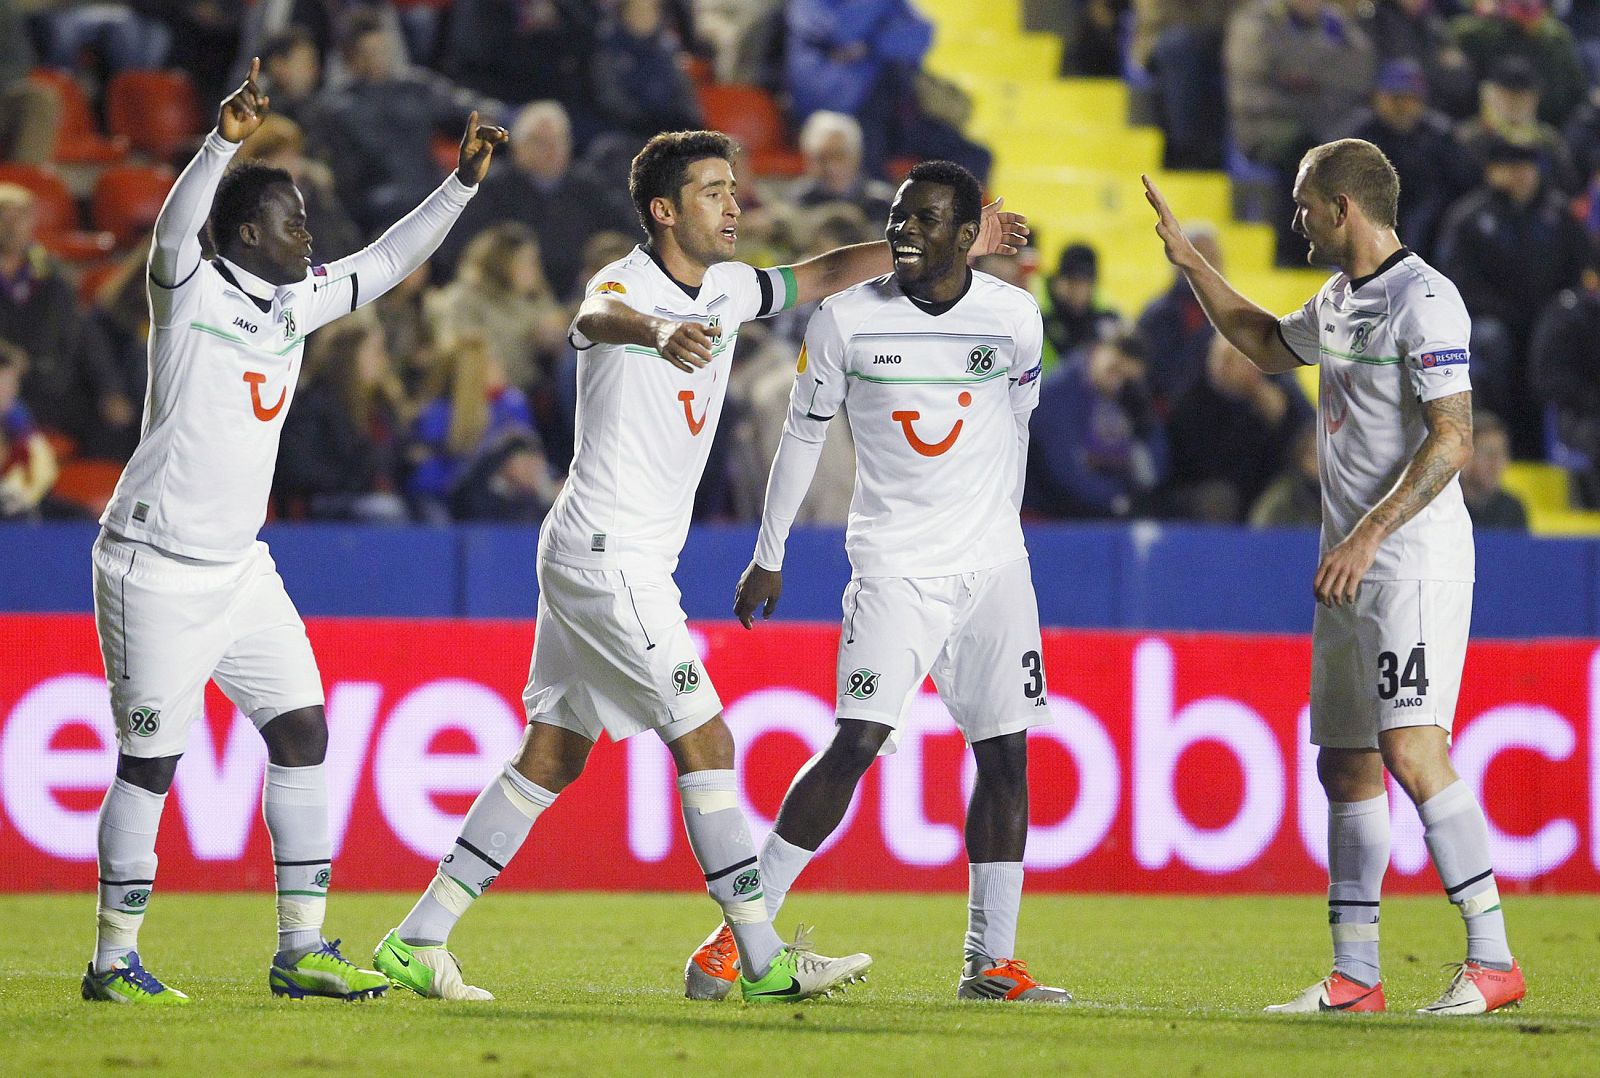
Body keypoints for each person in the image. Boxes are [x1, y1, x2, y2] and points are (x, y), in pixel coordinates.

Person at [372, 130, 1028, 1003]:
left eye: (733, 187)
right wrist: (658, 330)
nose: (734, 203)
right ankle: (761, 960)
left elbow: (826, 272)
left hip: (603, 554)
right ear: (664, 210)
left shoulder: (728, 286)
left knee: (553, 754)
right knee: (709, 741)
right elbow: (590, 318)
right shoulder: (627, 284)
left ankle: (419, 938)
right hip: (608, 556)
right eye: (714, 191)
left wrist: (959, 244)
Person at [81, 60, 508, 1005]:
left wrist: (460, 186)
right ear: (247, 233)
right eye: (293, 222)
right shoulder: (188, 290)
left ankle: (302, 949)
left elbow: (387, 262)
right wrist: (220, 143)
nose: (308, 235)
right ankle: (113, 960)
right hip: (154, 565)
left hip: (240, 569)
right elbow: (172, 230)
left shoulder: (295, 302)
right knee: (150, 763)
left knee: (305, 729)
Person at [1144, 137, 1525, 1015]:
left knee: (1411, 747)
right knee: (1345, 763)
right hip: (1352, 567)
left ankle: (1494, 959)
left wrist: (1370, 534)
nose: (1295, 219)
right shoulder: (1339, 298)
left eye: (1303, 204)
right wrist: (1192, 264)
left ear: (1343, 208)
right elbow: (1265, 344)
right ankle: (1356, 976)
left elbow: (1454, 439)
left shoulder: (1427, 298)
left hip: (1411, 563)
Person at [678, 160, 1068, 1006]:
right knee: (855, 743)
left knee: (1006, 753)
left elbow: (1019, 422)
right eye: (898, 217)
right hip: (894, 568)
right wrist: (770, 551)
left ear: (966, 234)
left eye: (925, 219)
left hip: (995, 569)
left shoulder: (1014, 317)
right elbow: (802, 438)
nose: (904, 232)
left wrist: (996, 533)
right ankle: (736, 935)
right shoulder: (846, 320)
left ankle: (990, 963)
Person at [1458, 410, 1528, 530]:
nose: (1496, 464)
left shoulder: (1512, 509)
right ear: (1465, 458)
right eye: (1488, 454)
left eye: (1502, 454)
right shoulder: (1448, 506)